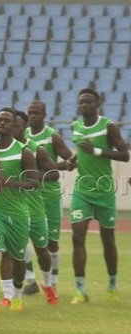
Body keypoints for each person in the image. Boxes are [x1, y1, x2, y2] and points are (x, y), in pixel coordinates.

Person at [69, 88, 129, 304]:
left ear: (98, 104)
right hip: (82, 190)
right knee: (77, 237)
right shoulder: (75, 126)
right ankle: (80, 290)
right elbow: (81, 151)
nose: (84, 105)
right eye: (81, 102)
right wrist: (73, 160)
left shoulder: (108, 126)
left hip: (104, 192)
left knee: (108, 239)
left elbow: (124, 154)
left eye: (88, 102)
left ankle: (112, 284)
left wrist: (97, 152)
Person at [0, 108, 39, 314]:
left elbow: (34, 182)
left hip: (18, 213)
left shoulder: (23, 151)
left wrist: (10, 183)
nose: (2, 123)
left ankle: (15, 294)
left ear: (14, 124)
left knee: (17, 258)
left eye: (7, 120)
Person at [0, 110, 59, 306]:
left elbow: (54, 174)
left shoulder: (34, 149)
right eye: (11, 124)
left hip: (35, 209)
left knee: (43, 250)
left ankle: (48, 284)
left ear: (23, 127)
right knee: (10, 253)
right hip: (11, 210)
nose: (13, 128)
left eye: (17, 125)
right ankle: (12, 295)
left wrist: (33, 177)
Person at [23, 100, 74, 294]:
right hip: (29, 195)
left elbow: (71, 161)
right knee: (23, 237)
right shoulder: (23, 136)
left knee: (51, 241)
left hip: (50, 195)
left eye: (36, 113)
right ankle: (30, 280)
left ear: (44, 114)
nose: (32, 116)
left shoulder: (53, 137)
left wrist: (48, 170)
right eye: (30, 113)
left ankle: (52, 281)